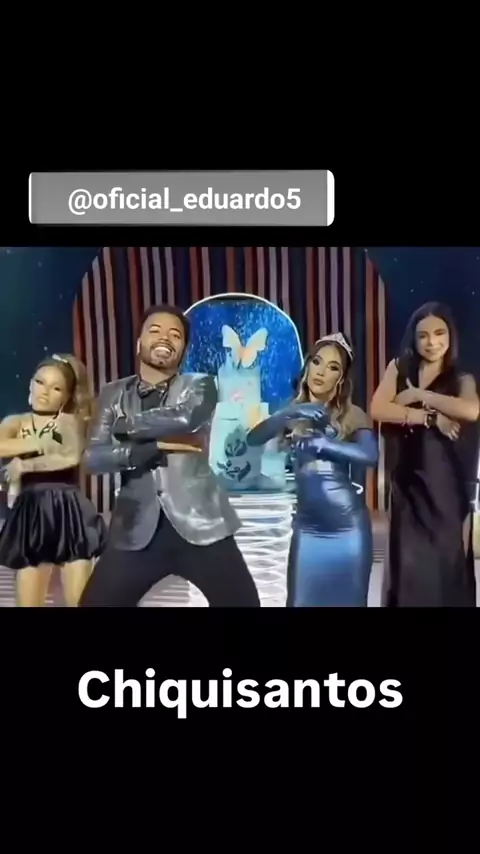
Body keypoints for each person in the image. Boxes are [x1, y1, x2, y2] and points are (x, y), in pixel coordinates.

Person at [79, 304, 260, 607]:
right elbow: (92, 458)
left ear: (183, 350)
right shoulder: (113, 393)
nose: (165, 337)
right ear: (139, 342)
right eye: (155, 330)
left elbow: (185, 417)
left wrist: (124, 425)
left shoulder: (201, 385)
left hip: (201, 523)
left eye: (175, 335)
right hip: (135, 527)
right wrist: (139, 452)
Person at [247, 332, 379, 606]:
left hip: (347, 528)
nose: (321, 372)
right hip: (308, 528)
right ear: (307, 365)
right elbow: (254, 438)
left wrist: (324, 444)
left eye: (333, 367)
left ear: (341, 379)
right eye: (317, 362)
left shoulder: (352, 414)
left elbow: (370, 455)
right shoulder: (292, 411)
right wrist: (289, 414)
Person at [369, 302, 479, 607]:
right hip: (408, 486)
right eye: (423, 335)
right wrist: (429, 418)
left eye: (439, 333)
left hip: (445, 490)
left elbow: (471, 410)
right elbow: (378, 409)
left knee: (445, 566)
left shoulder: (461, 377)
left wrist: (420, 395)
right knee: (408, 569)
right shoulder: (399, 368)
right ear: (414, 339)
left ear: (450, 336)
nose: (432, 342)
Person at [0, 354, 106, 606]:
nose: (45, 392)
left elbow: (70, 455)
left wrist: (26, 463)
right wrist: (39, 442)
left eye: (56, 388)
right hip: (31, 514)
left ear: (67, 396)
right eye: (40, 382)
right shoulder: (16, 421)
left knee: (80, 602)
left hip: (69, 512)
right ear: (30, 383)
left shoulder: (68, 422)